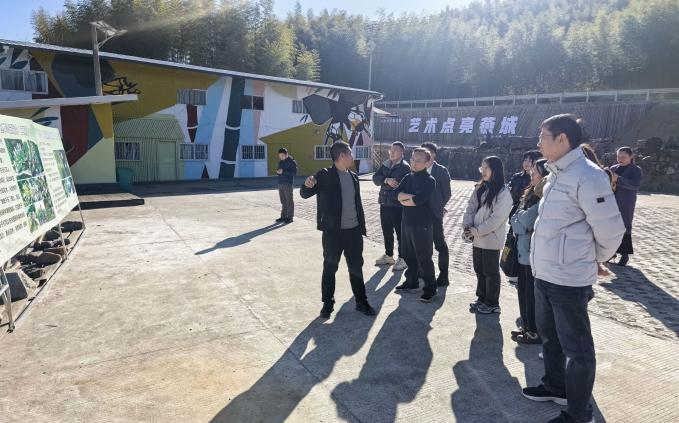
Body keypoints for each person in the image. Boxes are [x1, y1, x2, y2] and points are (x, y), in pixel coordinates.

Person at [522, 114, 625, 423]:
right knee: (550, 337)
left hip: (568, 279)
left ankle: (579, 413)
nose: (539, 143)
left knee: (577, 350)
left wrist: (595, 258)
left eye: (543, 137)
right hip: (545, 274)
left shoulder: (587, 175)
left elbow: (611, 230)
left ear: (562, 139)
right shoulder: (557, 174)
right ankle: (555, 385)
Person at [300, 141, 376, 319]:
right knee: (330, 267)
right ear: (342, 155)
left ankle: (361, 301)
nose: (352, 156)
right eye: (350, 153)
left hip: (354, 232)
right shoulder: (325, 175)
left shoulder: (353, 177)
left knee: (356, 267)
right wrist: (307, 185)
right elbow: (305, 194)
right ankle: (328, 303)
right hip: (333, 232)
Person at [463, 156, 513, 314]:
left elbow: (496, 219)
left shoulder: (503, 192)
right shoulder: (480, 188)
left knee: (490, 272)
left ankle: (492, 303)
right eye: (482, 168)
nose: (483, 171)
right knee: (479, 270)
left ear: (495, 170)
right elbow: (470, 208)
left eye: (486, 168)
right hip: (477, 237)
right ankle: (482, 298)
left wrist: (475, 231)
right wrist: (467, 226)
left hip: (491, 239)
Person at [509, 158, 549, 344]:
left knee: (532, 294)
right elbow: (514, 218)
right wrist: (520, 220)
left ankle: (534, 330)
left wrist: (519, 220)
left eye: (536, 172)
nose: (531, 175)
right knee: (523, 291)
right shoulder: (529, 194)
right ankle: (526, 326)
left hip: (532, 252)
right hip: (521, 250)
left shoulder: (543, 198)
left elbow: (525, 221)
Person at [391, 148, 438, 302]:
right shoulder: (408, 177)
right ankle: (411, 282)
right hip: (406, 222)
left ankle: (430, 289)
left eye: (418, 161)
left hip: (422, 225)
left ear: (427, 163)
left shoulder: (430, 180)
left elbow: (419, 200)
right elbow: (394, 194)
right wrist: (408, 199)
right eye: (412, 159)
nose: (414, 163)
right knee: (408, 255)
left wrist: (403, 198)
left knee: (424, 258)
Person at [372, 142, 410, 271]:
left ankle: (403, 258)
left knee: (400, 233)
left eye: (395, 150)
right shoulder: (386, 164)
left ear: (402, 153)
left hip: (398, 206)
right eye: (391, 150)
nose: (392, 152)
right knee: (387, 231)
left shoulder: (404, 167)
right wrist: (386, 180)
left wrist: (385, 181)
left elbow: (396, 184)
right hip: (384, 203)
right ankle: (388, 256)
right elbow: (375, 178)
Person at [422, 142, 452, 286]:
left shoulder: (441, 171)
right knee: (423, 245)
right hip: (419, 215)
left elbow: (447, 193)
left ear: (433, 155)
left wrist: (438, 206)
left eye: (427, 152)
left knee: (439, 244)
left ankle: (444, 275)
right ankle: (424, 272)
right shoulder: (417, 168)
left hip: (434, 214)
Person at [607, 147, 643, 267]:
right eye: (618, 156)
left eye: (623, 157)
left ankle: (624, 255)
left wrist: (618, 179)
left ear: (630, 157)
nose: (620, 159)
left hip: (626, 203)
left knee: (624, 227)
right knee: (611, 228)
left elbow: (635, 185)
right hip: (611, 202)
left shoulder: (636, 170)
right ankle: (610, 253)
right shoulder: (613, 168)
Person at [508, 150, 540, 217]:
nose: (526, 163)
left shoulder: (536, 179)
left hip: (528, 211)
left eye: (530, 161)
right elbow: (509, 190)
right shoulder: (516, 176)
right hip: (514, 209)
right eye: (525, 160)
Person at [276, 148, 297, 224]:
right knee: (283, 201)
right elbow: (279, 170)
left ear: (286, 154)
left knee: (289, 201)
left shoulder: (292, 162)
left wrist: (283, 171)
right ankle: (283, 216)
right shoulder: (281, 162)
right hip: (280, 183)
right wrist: (278, 172)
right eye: (279, 156)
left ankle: (290, 217)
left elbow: (294, 173)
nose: (281, 157)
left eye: (282, 155)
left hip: (288, 184)